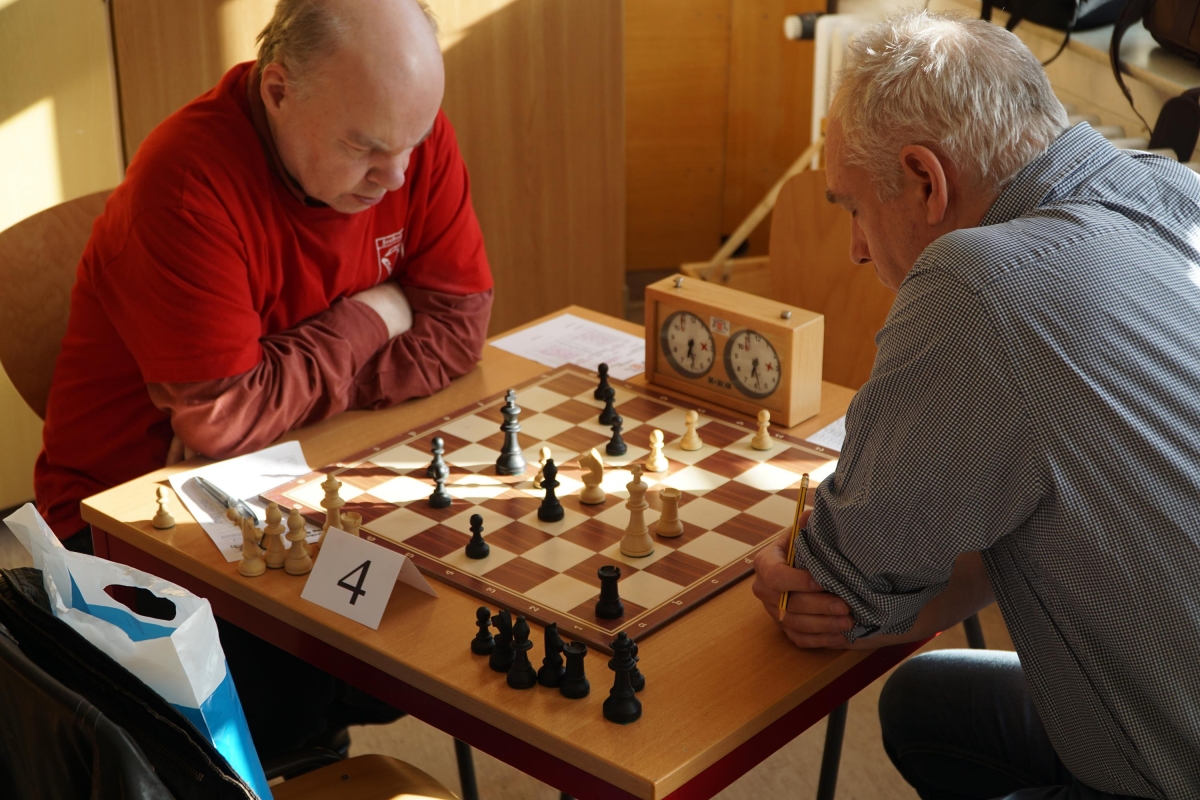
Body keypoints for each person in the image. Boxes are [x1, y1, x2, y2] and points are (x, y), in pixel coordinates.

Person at [751, 11, 1200, 800]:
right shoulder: (1175, 189)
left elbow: (840, 589)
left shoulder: (977, 282)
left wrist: (801, 574)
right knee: (927, 704)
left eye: (853, 207)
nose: (856, 248)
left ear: (926, 180)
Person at [35, 0, 492, 757]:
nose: (397, 177)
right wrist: (375, 314)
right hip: (133, 525)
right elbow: (226, 421)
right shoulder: (186, 184)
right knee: (343, 667)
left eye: (412, 144)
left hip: (301, 472)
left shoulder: (403, 129)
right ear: (278, 90)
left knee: (460, 598)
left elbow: (460, 327)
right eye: (364, 148)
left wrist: (276, 394)